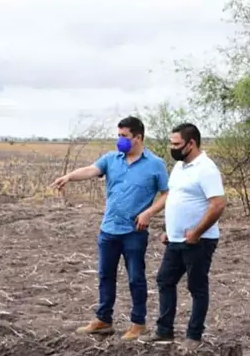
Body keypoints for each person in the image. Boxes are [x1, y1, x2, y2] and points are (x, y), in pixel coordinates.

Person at [51, 116, 169, 340]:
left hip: (134, 231)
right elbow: (91, 170)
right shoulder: (111, 159)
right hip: (109, 229)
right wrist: (69, 177)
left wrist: (149, 212)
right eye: (118, 136)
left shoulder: (155, 164)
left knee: (136, 277)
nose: (120, 141)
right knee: (106, 275)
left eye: (124, 136)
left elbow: (167, 194)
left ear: (138, 137)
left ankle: (138, 322)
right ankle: (103, 319)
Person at [141, 122, 225, 349]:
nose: (173, 147)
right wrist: (171, 230)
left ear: (191, 143)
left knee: (197, 287)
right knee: (164, 280)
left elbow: (218, 205)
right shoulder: (179, 167)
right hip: (176, 240)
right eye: (171, 143)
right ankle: (164, 331)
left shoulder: (206, 169)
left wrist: (197, 232)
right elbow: (175, 198)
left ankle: (194, 337)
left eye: (176, 144)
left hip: (199, 241)